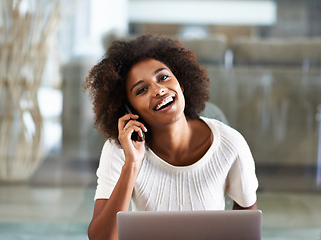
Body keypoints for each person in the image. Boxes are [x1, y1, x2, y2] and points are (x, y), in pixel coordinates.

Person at [84, 34, 258, 240]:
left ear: (181, 84)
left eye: (163, 77)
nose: (158, 90)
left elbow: (247, 223)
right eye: (142, 90)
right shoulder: (121, 150)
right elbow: (102, 238)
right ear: (129, 109)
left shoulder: (230, 144)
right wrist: (132, 164)